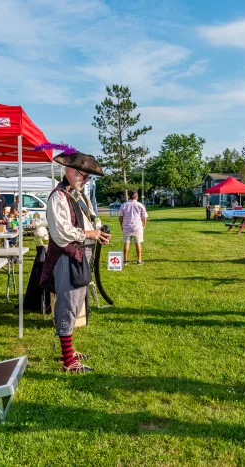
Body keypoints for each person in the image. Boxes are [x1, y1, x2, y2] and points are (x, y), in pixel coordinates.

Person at [39, 150, 110, 373]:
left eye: (88, 177)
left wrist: (98, 231)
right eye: (83, 175)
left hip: (80, 257)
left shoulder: (79, 195)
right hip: (65, 257)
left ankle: (68, 352)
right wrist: (89, 235)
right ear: (70, 170)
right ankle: (67, 361)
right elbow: (61, 232)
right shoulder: (58, 197)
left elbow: (90, 219)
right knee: (67, 306)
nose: (86, 180)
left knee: (77, 304)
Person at [119, 190, 148, 265]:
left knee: (126, 243)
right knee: (138, 243)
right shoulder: (140, 205)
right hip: (137, 227)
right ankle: (139, 260)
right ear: (135, 197)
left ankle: (125, 261)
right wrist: (144, 225)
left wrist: (121, 225)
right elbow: (144, 217)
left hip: (127, 227)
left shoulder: (124, 205)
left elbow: (120, 217)